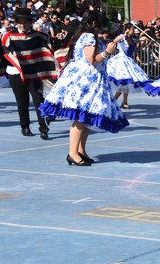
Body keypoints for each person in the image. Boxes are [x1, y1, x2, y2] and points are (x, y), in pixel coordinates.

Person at [40, 14, 129, 166]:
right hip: (87, 81)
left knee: (86, 118)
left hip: (93, 81)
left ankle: (80, 150)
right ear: (94, 23)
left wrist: (112, 44)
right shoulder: (88, 37)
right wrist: (107, 52)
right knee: (80, 117)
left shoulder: (89, 36)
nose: (104, 28)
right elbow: (92, 60)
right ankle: (72, 152)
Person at [1, 7, 58, 139]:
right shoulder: (8, 36)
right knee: (22, 102)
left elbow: (48, 49)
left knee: (39, 100)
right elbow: (2, 53)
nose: (22, 25)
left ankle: (44, 128)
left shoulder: (39, 36)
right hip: (16, 73)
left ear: (30, 22)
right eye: (19, 22)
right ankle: (25, 126)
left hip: (34, 73)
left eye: (25, 22)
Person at [107, 23, 151, 109]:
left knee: (127, 82)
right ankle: (115, 101)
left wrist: (142, 46)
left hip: (128, 60)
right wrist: (124, 34)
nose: (133, 31)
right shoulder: (122, 36)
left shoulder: (131, 38)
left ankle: (123, 101)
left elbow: (133, 50)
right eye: (132, 29)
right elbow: (114, 41)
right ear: (127, 29)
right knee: (124, 82)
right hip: (122, 61)